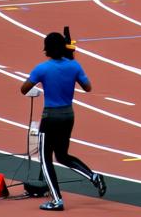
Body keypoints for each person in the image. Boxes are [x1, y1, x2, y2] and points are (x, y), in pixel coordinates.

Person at [19, 32, 107, 211]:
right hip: (68, 115)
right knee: (63, 156)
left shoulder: (42, 68)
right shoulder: (74, 66)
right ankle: (93, 176)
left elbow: (24, 88)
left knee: (45, 159)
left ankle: (56, 199)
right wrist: (71, 59)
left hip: (50, 117)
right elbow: (88, 87)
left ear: (47, 49)